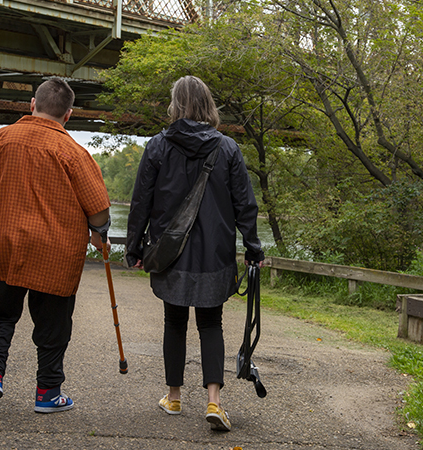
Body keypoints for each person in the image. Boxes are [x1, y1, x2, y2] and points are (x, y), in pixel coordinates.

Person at [0, 77, 111, 416]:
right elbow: (99, 209)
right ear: (68, 115)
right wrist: (99, 232)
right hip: (57, 252)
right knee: (53, 323)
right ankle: (48, 393)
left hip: (0, 243)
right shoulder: (76, 154)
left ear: (32, 104)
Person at [125, 75, 264, 431]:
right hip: (214, 253)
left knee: (174, 322)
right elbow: (245, 204)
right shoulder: (228, 148)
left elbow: (141, 201)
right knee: (211, 323)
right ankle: (214, 402)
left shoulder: (158, 146)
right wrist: (252, 247)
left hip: (170, 252)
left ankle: (173, 397)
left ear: (176, 103)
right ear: (207, 104)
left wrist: (134, 247)